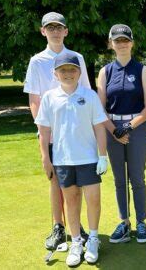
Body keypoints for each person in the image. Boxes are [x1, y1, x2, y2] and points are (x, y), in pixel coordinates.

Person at [23, 12, 90, 250]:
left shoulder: (77, 58)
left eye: (58, 27)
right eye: (49, 28)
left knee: (76, 182)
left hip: (75, 131)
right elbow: (34, 99)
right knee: (55, 180)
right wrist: (43, 131)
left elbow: (86, 94)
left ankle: (77, 225)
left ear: (65, 31)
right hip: (51, 131)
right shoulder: (36, 61)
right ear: (43, 31)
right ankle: (58, 227)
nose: (54, 31)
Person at [35, 53, 108, 266]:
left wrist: (102, 155)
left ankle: (93, 239)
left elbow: (99, 127)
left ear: (79, 72)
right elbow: (44, 131)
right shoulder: (49, 97)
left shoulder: (90, 95)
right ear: (55, 74)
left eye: (72, 70)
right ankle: (76, 242)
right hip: (63, 159)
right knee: (71, 200)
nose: (68, 74)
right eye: (63, 70)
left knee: (93, 199)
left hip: (88, 157)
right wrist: (45, 159)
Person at [96, 24, 146, 243]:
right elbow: (100, 107)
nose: (122, 44)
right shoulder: (105, 71)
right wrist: (114, 131)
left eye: (125, 40)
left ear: (132, 43)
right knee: (120, 179)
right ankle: (125, 221)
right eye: (117, 41)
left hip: (136, 128)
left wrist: (128, 127)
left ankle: (141, 222)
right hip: (112, 130)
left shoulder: (143, 70)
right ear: (111, 44)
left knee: (137, 177)